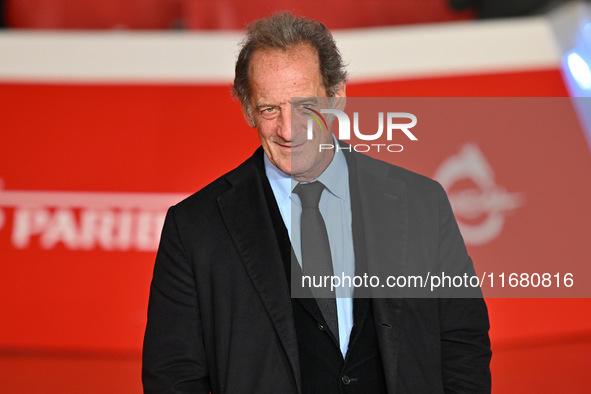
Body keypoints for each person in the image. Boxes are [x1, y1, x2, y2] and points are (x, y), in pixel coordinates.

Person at [142, 12, 491, 394]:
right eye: (269, 109)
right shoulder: (195, 227)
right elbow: (173, 375)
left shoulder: (421, 203)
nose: (288, 130)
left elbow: (462, 342)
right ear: (246, 110)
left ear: (337, 96)